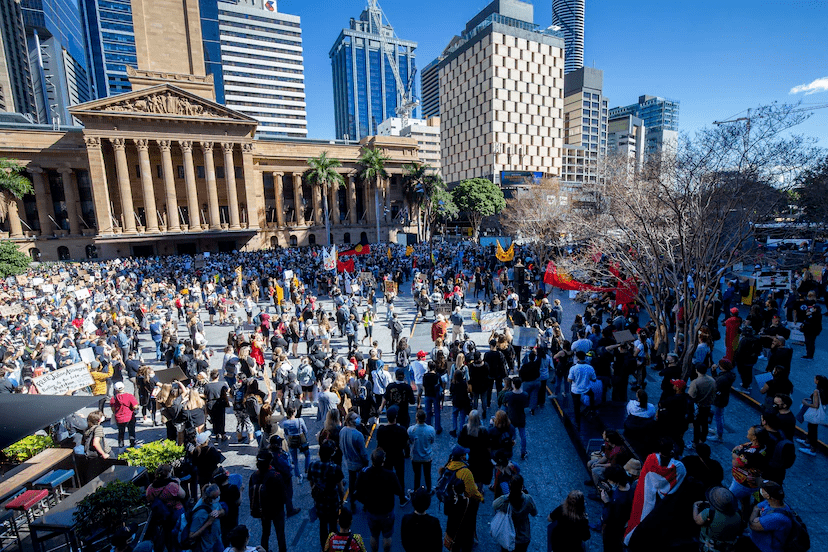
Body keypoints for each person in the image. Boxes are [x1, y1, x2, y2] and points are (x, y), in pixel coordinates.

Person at [356, 448, 403, 552]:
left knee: (374, 535)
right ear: (383, 460)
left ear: (372, 460)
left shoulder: (364, 473)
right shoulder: (390, 475)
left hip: (372, 510)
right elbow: (399, 491)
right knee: (387, 536)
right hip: (387, 511)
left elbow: (357, 492)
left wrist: (366, 502)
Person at [441, 445, 484, 552]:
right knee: (466, 534)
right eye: (465, 454)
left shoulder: (448, 467)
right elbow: (472, 491)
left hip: (452, 511)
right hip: (466, 512)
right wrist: (481, 497)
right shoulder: (465, 472)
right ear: (462, 457)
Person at [308, 440, 346, 549]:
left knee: (322, 526)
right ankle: (334, 547)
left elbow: (311, 482)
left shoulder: (312, 465)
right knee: (333, 527)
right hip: (332, 502)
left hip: (320, 502)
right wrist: (341, 501)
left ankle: (324, 547)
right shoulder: (335, 469)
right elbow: (340, 488)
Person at [249, 451, 287, 552]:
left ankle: (263, 549)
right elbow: (283, 496)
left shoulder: (254, 476)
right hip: (277, 510)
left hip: (263, 509)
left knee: (265, 532)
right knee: (280, 533)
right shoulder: (276, 475)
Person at [492, 474, 537, 552]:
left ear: (510, 486)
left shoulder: (505, 501)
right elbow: (534, 513)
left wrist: (507, 496)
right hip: (523, 536)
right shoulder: (528, 499)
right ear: (521, 486)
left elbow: (494, 505)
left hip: (507, 536)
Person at [375, 406, 410, 505]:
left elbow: (379, 444)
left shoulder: (382, 430)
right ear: (396, 417)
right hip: (398, 455)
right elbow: (405, 444)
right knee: (400, 477)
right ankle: (402, 497)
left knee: (386, 476)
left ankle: (386, 496)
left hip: (387, 457)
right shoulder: (402, 430)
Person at [747, 480, 793, 552]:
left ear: (768, 496)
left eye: (762, 489)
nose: (760, 490)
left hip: (765, 548)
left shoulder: (775, 518)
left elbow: (752, 525)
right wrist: (757, 513)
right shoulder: (773, 502)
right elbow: (757, 507)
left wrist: (754, 518)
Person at [692, 486, 742, 552]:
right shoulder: (737, 514)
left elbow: (697, 520)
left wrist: (695, 506)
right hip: (728, 546)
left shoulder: (709, 512)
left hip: (710, 545)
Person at [598, 466, 633, 552]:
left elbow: (611, 516)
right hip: (621, 527)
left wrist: (606, 501)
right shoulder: (629, 487)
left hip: (612, 529)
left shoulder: (618, 500)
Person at [339, 412, 368, 513]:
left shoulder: (342, 431)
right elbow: (363, 452)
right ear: (351, 420)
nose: (358, 419)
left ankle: (352, 502)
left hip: (349, 462)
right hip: (359, 463)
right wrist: (366, 461)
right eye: (356, 418)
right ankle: (365, 503)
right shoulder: (358, 435)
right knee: (364, 485)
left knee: (352, 483)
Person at [400, 487, 443, 552]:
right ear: (428, 503)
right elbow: (438, 545)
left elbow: (404, 541)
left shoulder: (406, 519)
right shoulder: (434, 522)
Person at [458, 410, 492, 487]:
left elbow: (460, 441)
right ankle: (480, 489)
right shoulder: (483, 430)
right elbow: (487, 444)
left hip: (470, 455)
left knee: (471, 472)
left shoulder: (465, 428)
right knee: (480, 474)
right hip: (481, 455)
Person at [796, 374, 828, 456]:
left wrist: (805, 403)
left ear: (818, 381)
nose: (814, 379)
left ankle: (812, 449)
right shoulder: (825, 390)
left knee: (812, 430)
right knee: (812, 428)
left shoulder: (816, 391)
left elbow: (815, 405)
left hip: (814, 412)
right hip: (820, 412)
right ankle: (807, 441)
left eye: (815, 378)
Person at [189, 483, 225, 552]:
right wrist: (208, 522)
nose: (218, 498)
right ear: (208, 498)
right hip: (206, 547)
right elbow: (191, 537)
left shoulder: (213, 502)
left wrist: (219, 512)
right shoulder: (200, 513)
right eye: (215, 497)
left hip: (216, 540)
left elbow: (222, 511)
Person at [408, 408, 436, 494]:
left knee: (417, 474)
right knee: (427, 474)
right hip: (427, 456)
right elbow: (432, 441)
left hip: (415, 456)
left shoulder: (411, 430)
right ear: (426, 418)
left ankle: (416, 490)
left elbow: (410, 440)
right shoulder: (431, 430)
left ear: (416, 418)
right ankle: (429, 489)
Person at [688, 363, 716, 446]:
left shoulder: (695, 382)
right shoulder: (712, 380)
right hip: (707, 405)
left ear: (696, 370)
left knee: (696, 425)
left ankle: (695, 442)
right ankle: (703, 439)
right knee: (705, 423)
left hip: (698, 406)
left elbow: (691, 396)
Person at [502, 377, 530, 459]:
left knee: (509, 435)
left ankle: (508, 452)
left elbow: (504, 402)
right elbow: (526, 405)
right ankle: (523, 452)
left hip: (511, 417)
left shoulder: (508, 395)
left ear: (513, 384)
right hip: (521, 417)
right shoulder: (525, 395)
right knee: (523, 435)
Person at [567, 351, 596, 425]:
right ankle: (592, 410)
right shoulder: (590, 367)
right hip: (586, 389)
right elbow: (594, 379)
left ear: (577, 358)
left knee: (576, 406)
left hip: (575, 390)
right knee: (591, 395)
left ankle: (577, 421)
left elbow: (569, 380)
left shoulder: (573, 368)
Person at [711, 359, 736, 442]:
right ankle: (718, 430)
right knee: (719, 415)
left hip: (719, 399)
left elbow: (715, 384)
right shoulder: (728, 375)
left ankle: (719, 435)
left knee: (718, 417)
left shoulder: (723, 378)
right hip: (723, 398)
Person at [110, 381, 139, 448]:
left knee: (121, 432)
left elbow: (113, 409)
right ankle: (132, 445)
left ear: (116, 389)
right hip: (129, 416)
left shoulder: (113, 398)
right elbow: (135, 406)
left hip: (119, 417)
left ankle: (121, 446)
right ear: (123, 387)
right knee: (131, 431)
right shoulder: (129, 396)